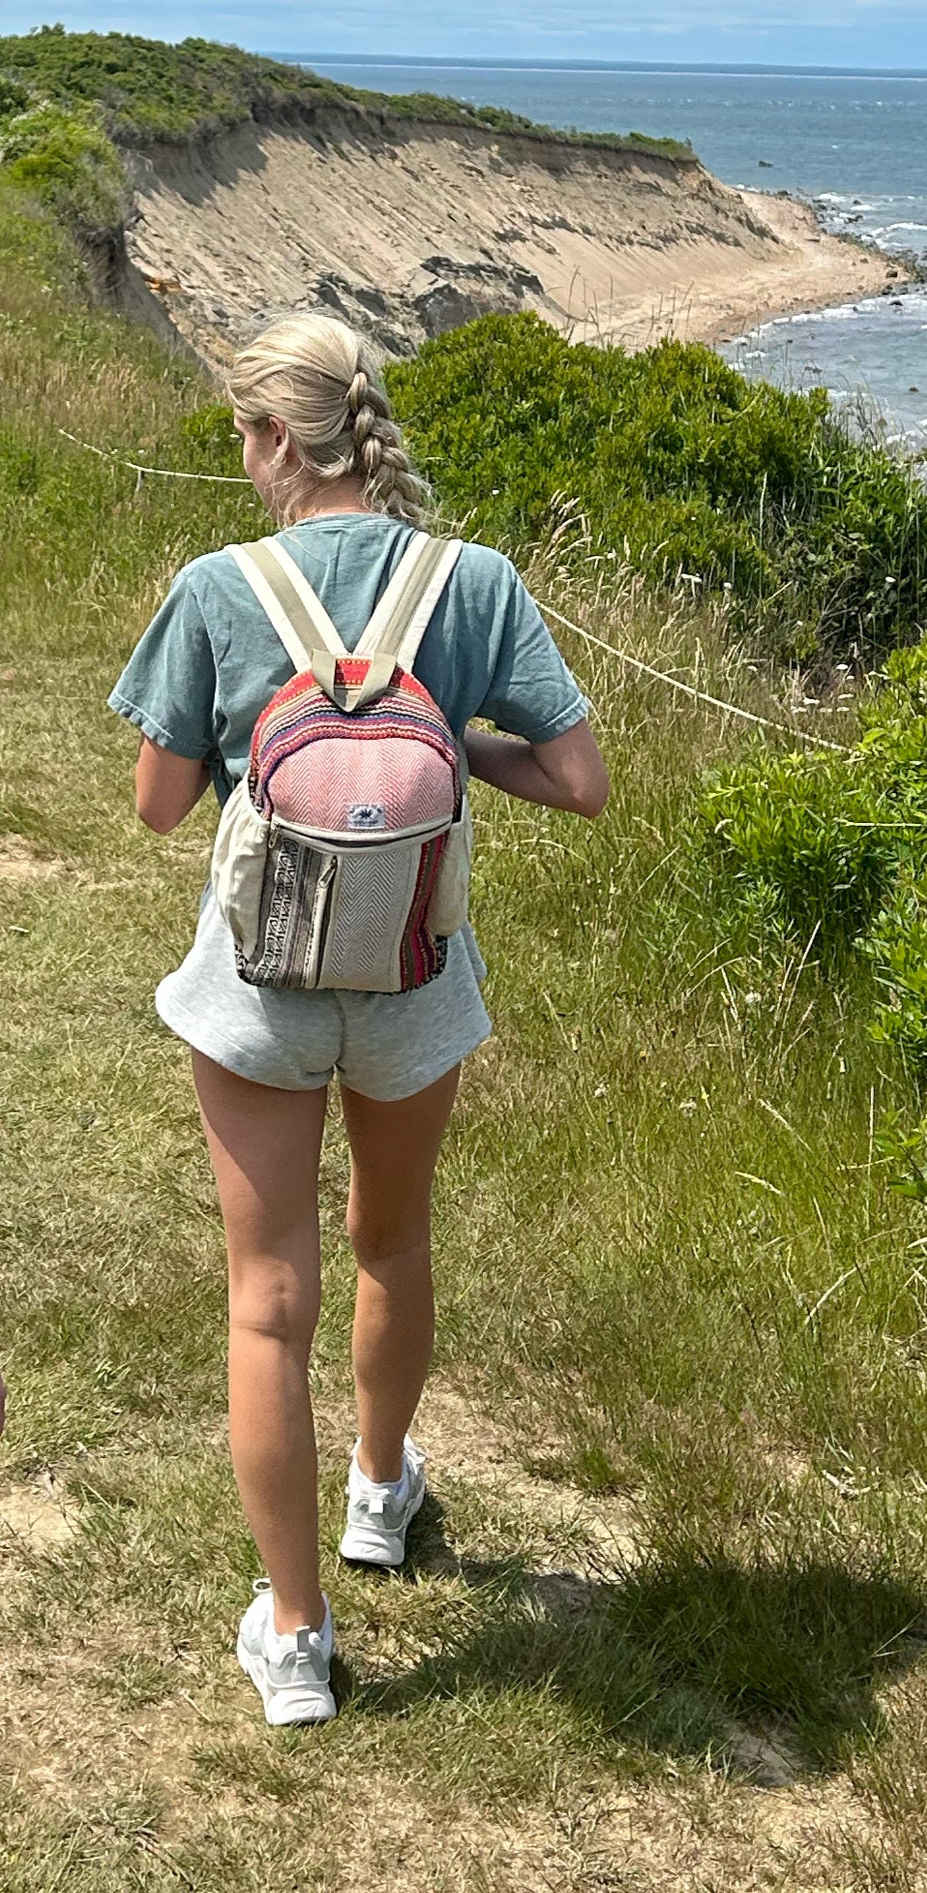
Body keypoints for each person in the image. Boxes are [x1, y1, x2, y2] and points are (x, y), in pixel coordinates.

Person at [109, 314, 608, 1727]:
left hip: (258, 997)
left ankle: (296, 1637)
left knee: (267, 1302)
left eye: (241, 435)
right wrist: (450, 747)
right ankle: (382, 1491)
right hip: (413, 980)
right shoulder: (477, 582)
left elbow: (153, 807)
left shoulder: (218, 587)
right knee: (392, 1240)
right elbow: (581, 781)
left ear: (277, 440)